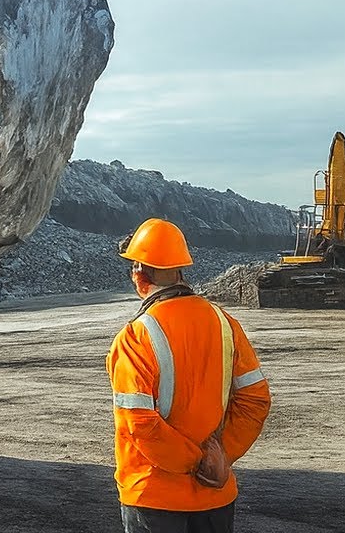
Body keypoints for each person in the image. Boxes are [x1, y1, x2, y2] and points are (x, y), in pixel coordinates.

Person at [107, 218, 271, 533]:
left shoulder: (136, 338)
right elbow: (256, 400)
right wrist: (219, 458)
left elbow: (138, 421)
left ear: (140, 275)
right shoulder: (225, 324)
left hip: (154, 497)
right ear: (181, 270)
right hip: (215, 497)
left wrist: (195, 462)